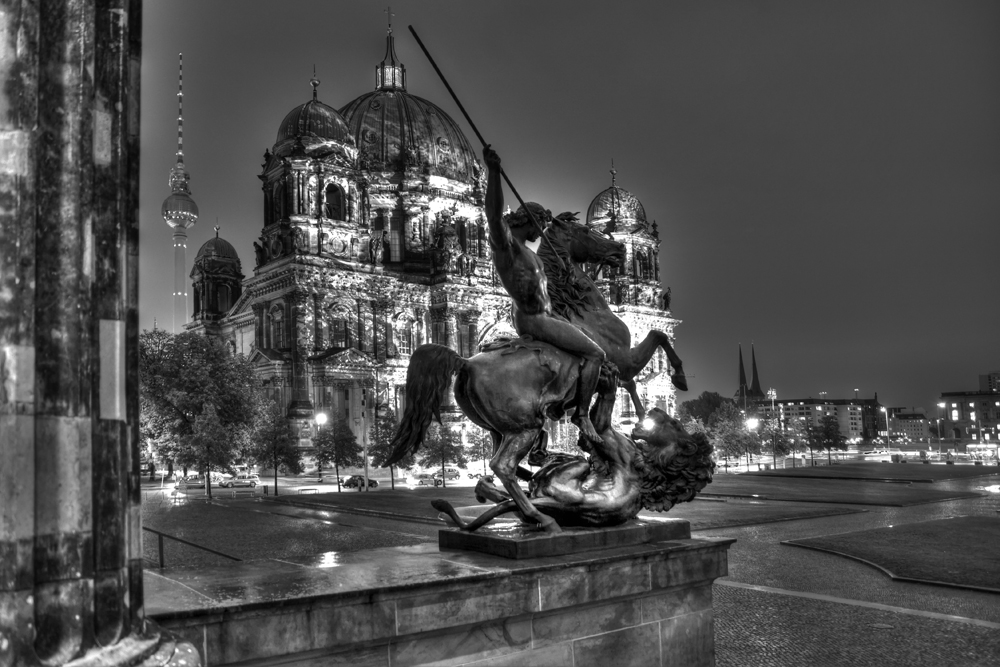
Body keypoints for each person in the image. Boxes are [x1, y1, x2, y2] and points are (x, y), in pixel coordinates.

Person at [483, 146, 605, 445]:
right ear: (528, 219)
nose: (543, 230)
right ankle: (583, 416)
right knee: (596, 353)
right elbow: (493, 215)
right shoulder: (508, 246)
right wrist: (495, 173)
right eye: (540, 222)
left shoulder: (530, 253)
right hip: (534, 320)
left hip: (544, 315)